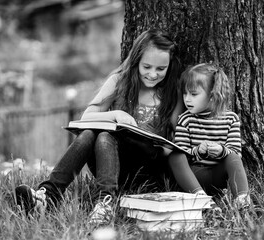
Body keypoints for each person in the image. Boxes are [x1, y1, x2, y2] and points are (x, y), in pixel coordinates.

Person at [15, 28, 184, 224]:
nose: (153, 74)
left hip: (146, 170)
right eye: (147, 66)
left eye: (160, 69)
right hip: (111, 165)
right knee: (90, 134)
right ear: (136, 60)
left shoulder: (172, 93)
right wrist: (117, 115)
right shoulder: (120, 81)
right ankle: (48, 195)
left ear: (169, 66)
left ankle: (105, 202)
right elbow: (87, 117)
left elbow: (176, 137)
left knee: (104, 136)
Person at [168, 63, 251, 209]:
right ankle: (202, 200)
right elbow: (183, 152)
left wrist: (221, 150)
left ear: (212, 95)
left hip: (218, 177)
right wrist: (198, 150)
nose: (187, 99)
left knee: (233, 157)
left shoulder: (230, 119)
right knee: (176, 155)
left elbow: (235, 152)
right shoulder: (186, 119)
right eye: (185, 93)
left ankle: (242, 200)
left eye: (193, 94)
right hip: (195, 177)